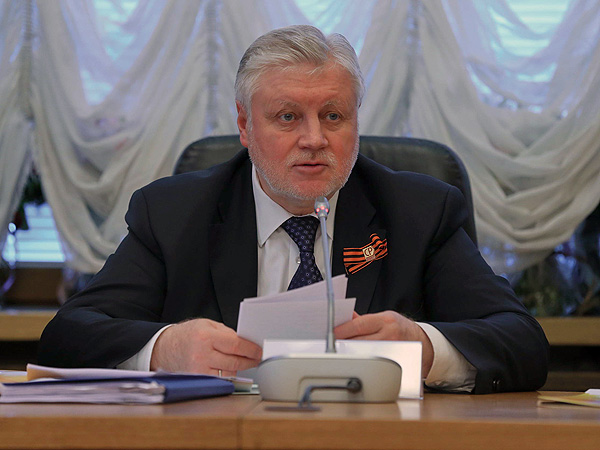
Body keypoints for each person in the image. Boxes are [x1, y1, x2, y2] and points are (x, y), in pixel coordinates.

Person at [39, 25, 548, 394]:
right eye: (287, 117)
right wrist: (164, 348)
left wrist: (426, 347)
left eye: (333, 115)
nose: (314, 139)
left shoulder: (419, 211)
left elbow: (523, 341)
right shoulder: (174, 213)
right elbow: (67, 336)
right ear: (245, 126)